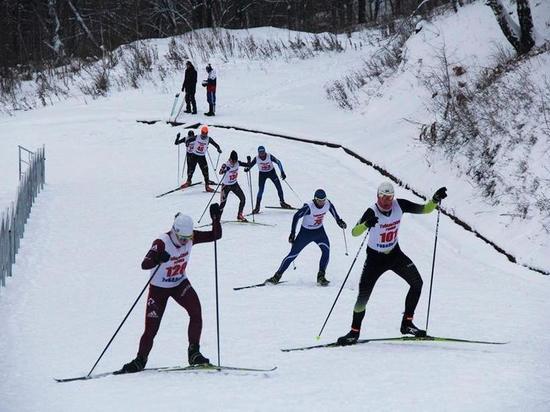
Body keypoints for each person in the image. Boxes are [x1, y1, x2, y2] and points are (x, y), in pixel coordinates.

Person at [337, 182, 447, 345]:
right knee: (363, 297)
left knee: (417, 283)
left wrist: (435, 200)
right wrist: (366, 224)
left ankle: (407, 324)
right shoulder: (371, 211)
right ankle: (354, 332)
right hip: (375, 259)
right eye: (384, 197)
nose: (387, 201)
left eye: (390, 197)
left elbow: (425, 209)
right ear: (378, 197)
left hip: (395, 255)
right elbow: (354, 232)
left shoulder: (399, 205)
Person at [119, 203, 222, 373]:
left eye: (187, 239)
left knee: (196, 312)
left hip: (179, 283)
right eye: (182, 238)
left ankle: (194, 353)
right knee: (152, 328)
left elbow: (216, 235)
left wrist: (216, 219)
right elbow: (145, 264)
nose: (184, 242)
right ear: (174, 231)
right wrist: (159, 258)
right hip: (159, 289)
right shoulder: (162, 242)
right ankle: (140, 360)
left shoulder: (190, 237)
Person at [266, 189, 346, 286]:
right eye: (320, 201)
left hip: (319, 232)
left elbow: (333, 211)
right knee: (293, 255)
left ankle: (321, 276)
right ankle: (276, 276)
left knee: (326, 250)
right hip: (305, 233)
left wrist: (339, 221)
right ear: (315, 199)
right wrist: (292, 233)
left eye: (324, 200)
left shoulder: (327, 204)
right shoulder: (309, 207)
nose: (322, 203)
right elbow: (296, 216)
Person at [244, 145, 292, 214]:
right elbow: (250, 166)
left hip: (272, 173)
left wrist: (282, 172)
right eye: (260, 152)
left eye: (263, 152)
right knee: (260, 190)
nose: (262, 154)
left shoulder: (269, 156)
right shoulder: (256, 158)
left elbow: (278, 162)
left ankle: (282, 202)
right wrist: (247, 169)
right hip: (262, 175)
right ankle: (257, 207)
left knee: (279, 187)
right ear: (258, 153)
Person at [181, 125, 222, 192]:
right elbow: (188, 140)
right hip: (194, 156)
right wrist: (187, 143)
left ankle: (207, 186)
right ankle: (188, 181)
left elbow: (215, 144)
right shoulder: (197, 137)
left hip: (202, 157)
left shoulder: (209, 139)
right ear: (201, 132)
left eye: (205, 133)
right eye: (203, 133)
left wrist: (218, 149)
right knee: (191, 169)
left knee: (205, 171)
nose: (204, 135)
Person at [219, 150, 248, 222]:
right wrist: (225, 170)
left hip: (234, 184)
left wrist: (249, 162)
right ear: (230, 159)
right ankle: (217, 219)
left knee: (243, 199)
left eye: (235, 161)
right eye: (233, 161)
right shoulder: (226, 164)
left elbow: (247, 165)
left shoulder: (238, 163)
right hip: (226, 186)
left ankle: (239, 215)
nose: (234, 162)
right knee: (222, 204)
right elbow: (220, 172)